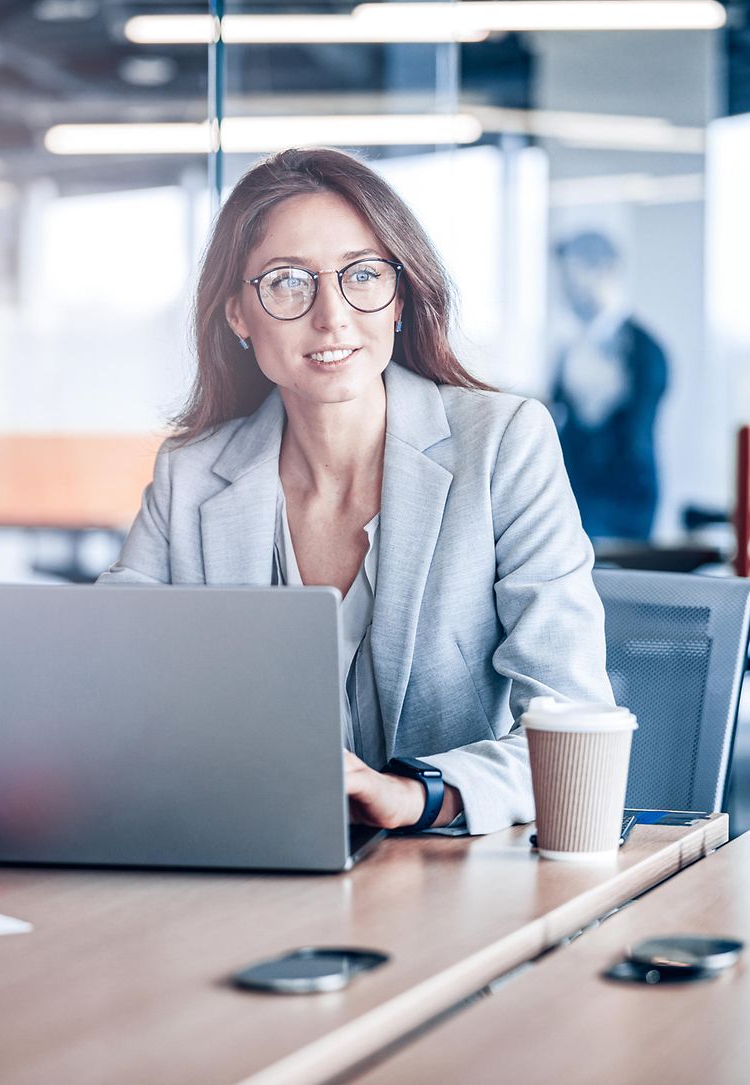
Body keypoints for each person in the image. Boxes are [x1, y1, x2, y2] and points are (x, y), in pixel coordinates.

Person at [99, 148, 613, 835]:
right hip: (251, 858)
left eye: (363, 275)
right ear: (238, 316)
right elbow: (104, 688)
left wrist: (418, 794)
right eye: (287, 283)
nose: (332, 317)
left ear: (400, 295)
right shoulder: (190, 475)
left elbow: (572, 722)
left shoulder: (502, 445)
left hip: (452, 874)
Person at [551, 230, 669, 540]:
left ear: (603, 271)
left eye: (573, 281)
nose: (566, 292)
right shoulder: (573, 346)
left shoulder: (643, 351)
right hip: (572, 500)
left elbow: (631, 432)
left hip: (619, 510)